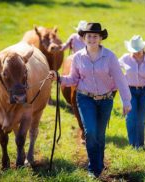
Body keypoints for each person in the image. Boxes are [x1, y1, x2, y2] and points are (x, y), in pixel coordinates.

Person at [49, 22, 131, 178]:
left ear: (100, 38)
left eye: (95, 36)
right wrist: (58, 77)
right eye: (88, 36)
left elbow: (120, 79)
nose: (92, 39)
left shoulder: (110, 56)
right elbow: (73, 79)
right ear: (84, 38)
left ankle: (98, 164)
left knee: (100, 135)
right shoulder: (78, 57)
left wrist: (126, 101)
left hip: (106, 100)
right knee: (91, 132)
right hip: (85, 98)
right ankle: (94, 169)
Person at [119, 35, 145, 149]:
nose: (136, 53)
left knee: (140, 120)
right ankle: (133, 144)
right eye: (134, 51)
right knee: (131, 117)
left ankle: (140, 144)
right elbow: (115, 71)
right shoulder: (124, 59)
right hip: (129, 91)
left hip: (144, 92)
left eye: (138, 50)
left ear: (143, 48)